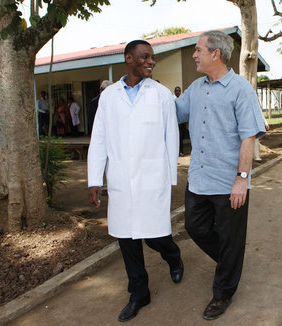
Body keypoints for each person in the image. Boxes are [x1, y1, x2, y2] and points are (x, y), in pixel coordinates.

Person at [87, 40, 183, 323]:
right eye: (145, 57)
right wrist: (95, 179)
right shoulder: (109, 96)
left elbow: (171, 139)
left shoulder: (162, 95)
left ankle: (173, 256)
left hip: (153, 177)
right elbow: (100, 139)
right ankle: (139, 293)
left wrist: (169, 178)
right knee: (127, 239)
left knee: (154, 235)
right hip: (120, 179)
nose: (151, 61)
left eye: (152, 57)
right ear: (129, 59)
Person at [175, 30, 266, 320]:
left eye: (198, 49)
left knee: (230, 238)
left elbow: (248, 137)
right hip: (200, 179)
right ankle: (230, 263)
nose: (194, 54)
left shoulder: (241, 89)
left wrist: (242, 178)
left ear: (215, 53)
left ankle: (223, 291)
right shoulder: (195, 87)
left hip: (229, 182)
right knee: (195, 227)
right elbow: (173, 112)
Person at [173, 86, 187, 156]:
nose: (178, 92)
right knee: (177, 137)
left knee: (181, 136)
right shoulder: (172, 99)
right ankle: (177, 151)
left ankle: (181, 151)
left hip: (182, 122)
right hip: (175, 121)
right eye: (176, 91)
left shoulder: (182, 99)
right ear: (174, 92)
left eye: (179, 91)